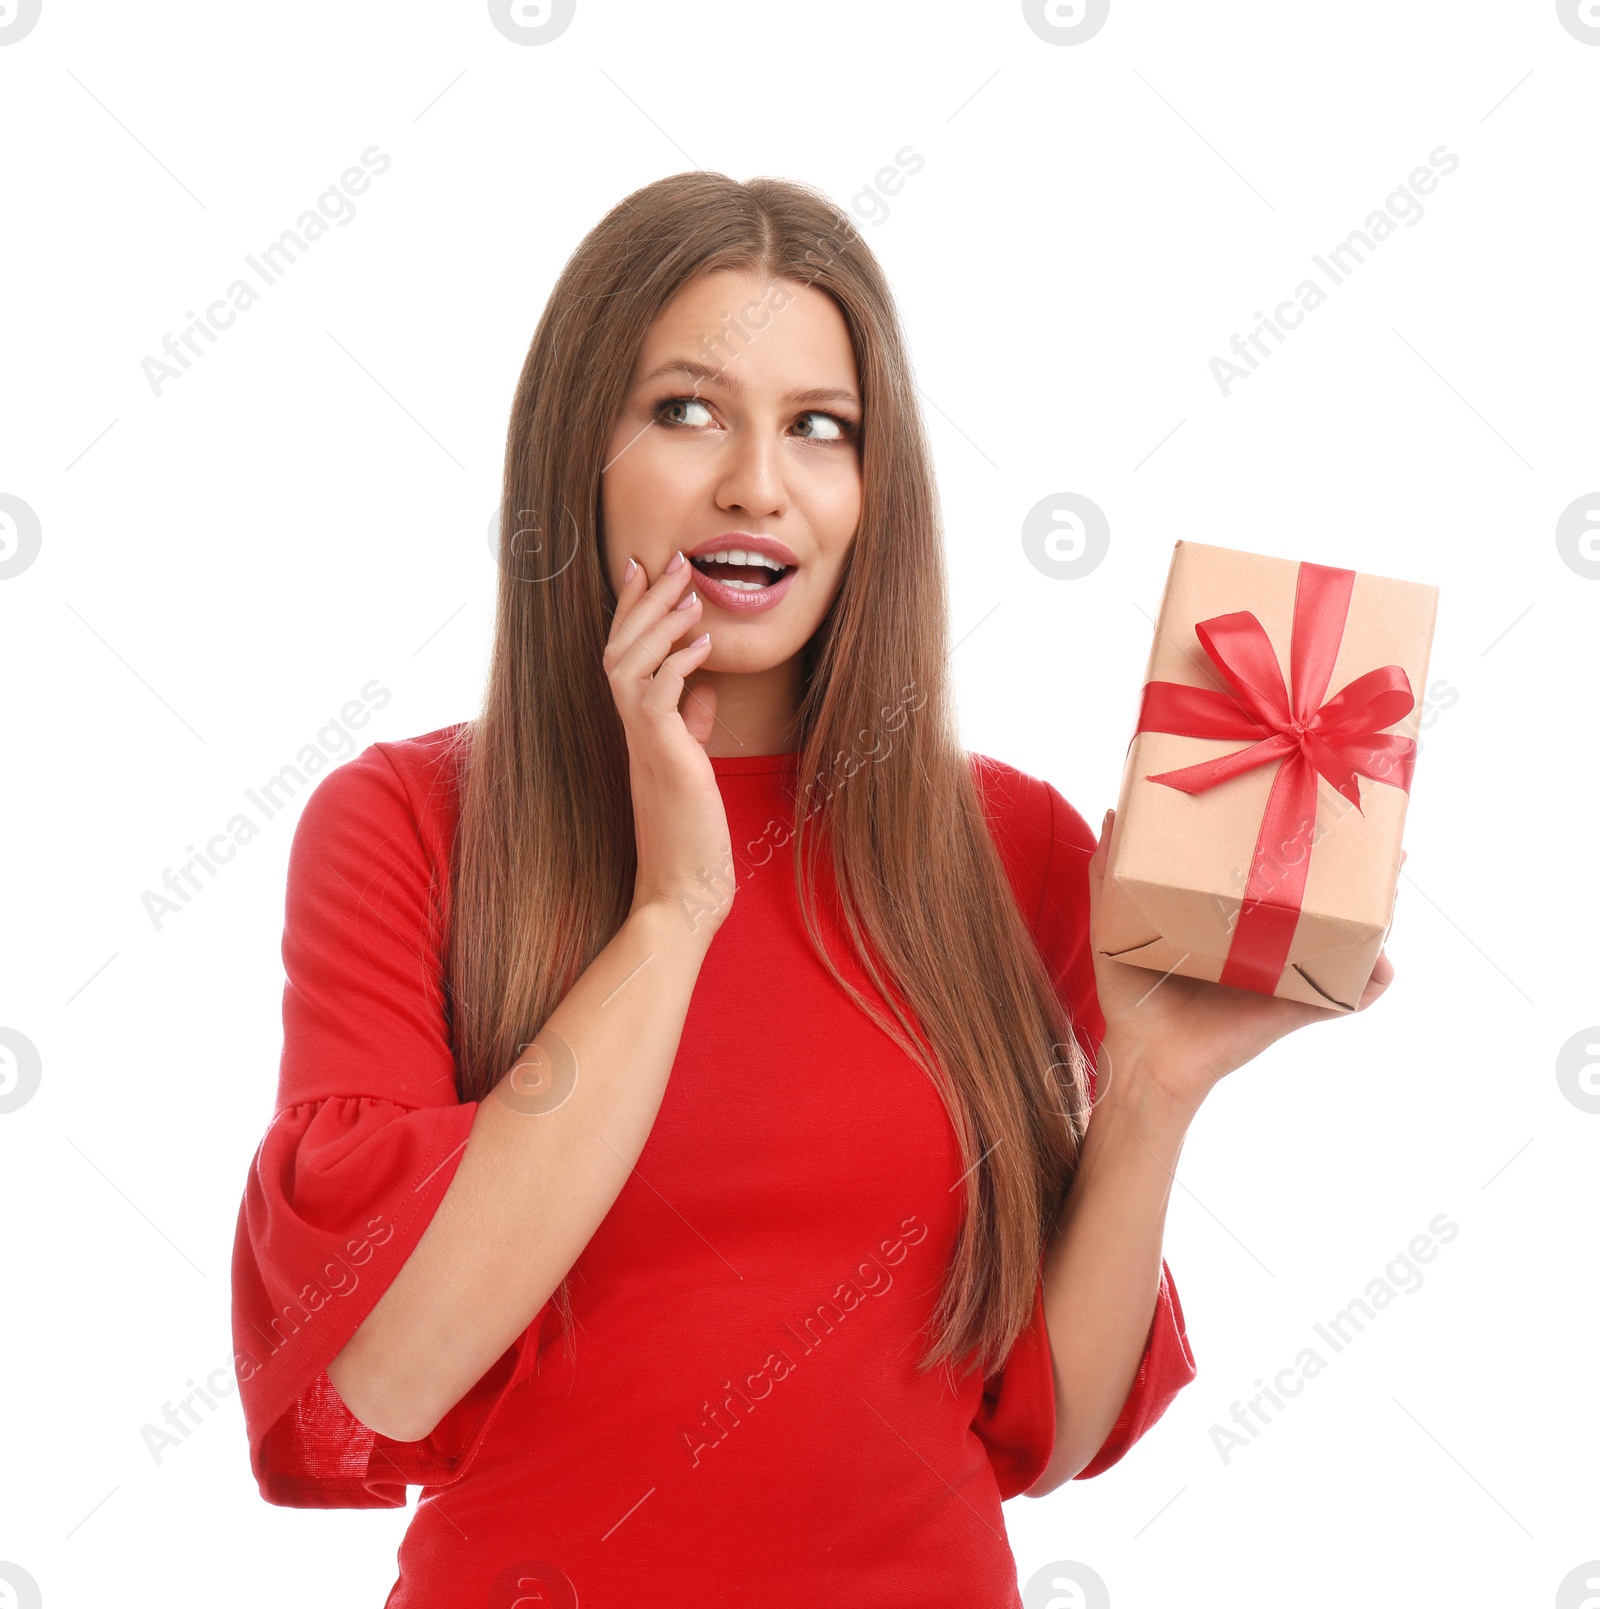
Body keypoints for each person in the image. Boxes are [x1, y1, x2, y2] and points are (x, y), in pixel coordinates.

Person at [229, 172, 1393, 1608]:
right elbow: (385, 1374)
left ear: (870, 490)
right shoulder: (406, 827)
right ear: (575, 456)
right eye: (686, 409)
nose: (756, 484)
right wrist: (673, 912)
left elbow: (1044, 1430)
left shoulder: (1007, 844)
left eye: (818, 430)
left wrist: (1151, 1084)